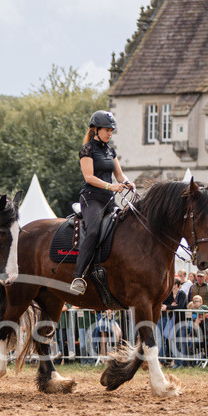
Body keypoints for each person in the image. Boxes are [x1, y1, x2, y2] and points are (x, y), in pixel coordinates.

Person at [71, 110, 134, 294]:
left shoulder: (110, 150)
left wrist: (126, 182)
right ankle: (78, 276)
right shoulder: (87, 149)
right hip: (91, 198)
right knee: (93, 231)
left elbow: (120, 175)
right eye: (106, 130)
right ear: (96, 129)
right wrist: (111, 186)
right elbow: (89, 177)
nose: (109, 133)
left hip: (108, 200)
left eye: (111, 130)